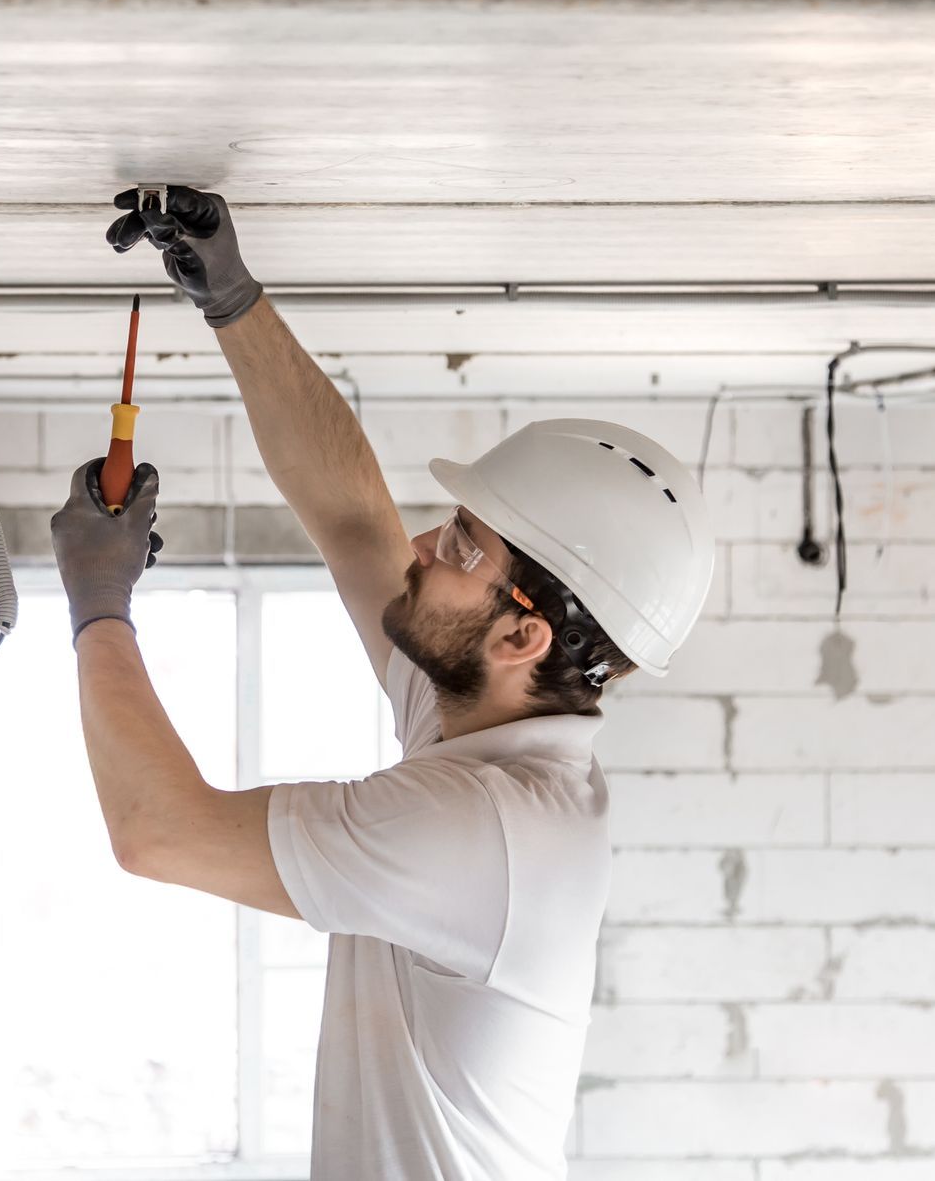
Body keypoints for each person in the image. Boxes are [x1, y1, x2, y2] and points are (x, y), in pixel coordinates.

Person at [50, 186, 715, 1179]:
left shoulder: (481, 827)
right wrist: (233, 299)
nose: (419, 547)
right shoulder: (483, 721)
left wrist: (97, 602)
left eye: (459, 546)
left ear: (521, 635)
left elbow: (161, 831)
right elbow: (353, 518)